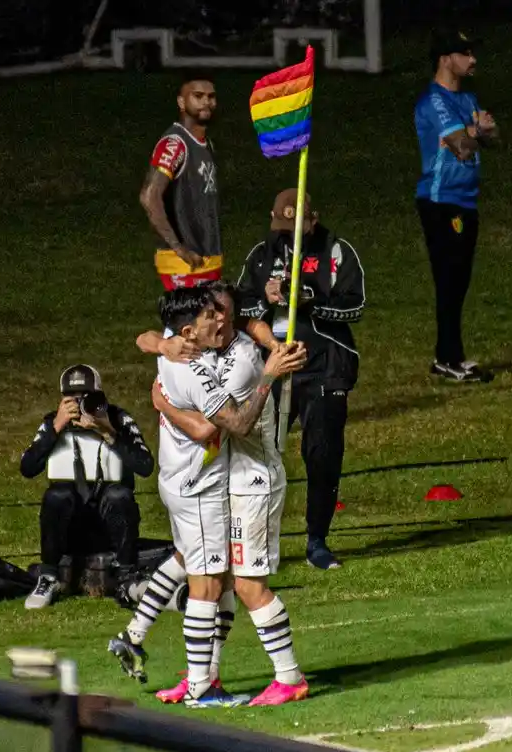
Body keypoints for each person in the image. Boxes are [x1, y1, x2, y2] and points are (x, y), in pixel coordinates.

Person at [112, 283, 311, 706]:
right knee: (213, 580)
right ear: (190, 328)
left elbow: (230, 424)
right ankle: (204, 675)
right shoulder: (193, 351)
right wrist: (158, 343)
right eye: (211, 314)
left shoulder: (237, 360)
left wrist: (271, 362)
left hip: (252, 481)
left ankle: (283, 677)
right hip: (216, 481)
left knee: (239, 585)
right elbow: (155, 338)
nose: (219, 320)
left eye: (225, 314)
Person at [237, 190, 365, 571]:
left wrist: (309, 299)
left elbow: (355, 304)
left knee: (322, 454)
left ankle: (317, 541)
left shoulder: (336, 251)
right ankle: (257, 541)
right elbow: (236, 307)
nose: (287, 235)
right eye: (281, 227)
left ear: (313, 219)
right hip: (273, 367)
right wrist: (265, 296)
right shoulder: (261, 255)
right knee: (259, 454)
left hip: (324, 367)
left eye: (296, 228)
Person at [18, 365, 154, 609]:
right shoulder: (54, 421)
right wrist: (56, 427)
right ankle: (49, 576)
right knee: (56, 495)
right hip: (71, 524)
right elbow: (28, 467)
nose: (80, 404)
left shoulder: (118, 419)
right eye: (72, 398)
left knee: (119, 494)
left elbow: (145, 465)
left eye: (86, 397)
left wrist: (108, 432)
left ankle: (127, 577)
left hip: (109, 522)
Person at [413, 27, 499, 383]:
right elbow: (465, 145)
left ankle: (449, 355)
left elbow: (492, 135)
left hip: (465, 200)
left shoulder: (467, 99)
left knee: (459, 281)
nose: (472, 59)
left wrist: (478, 133)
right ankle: (448, 357)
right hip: (441, 202)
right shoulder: (433, 101)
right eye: (465, 53)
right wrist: (476, 133)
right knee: (449, 280)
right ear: (446, 59)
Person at [140, 77, 223, 290]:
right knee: (192, 322)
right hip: (185, 263)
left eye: (211, 97)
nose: (206, 102)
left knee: (216, 320)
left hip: (208, 258)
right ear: (181, 102)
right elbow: (150, 196)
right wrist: (178, 248)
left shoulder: (206, 144)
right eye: (198, 96)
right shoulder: (175, 144)